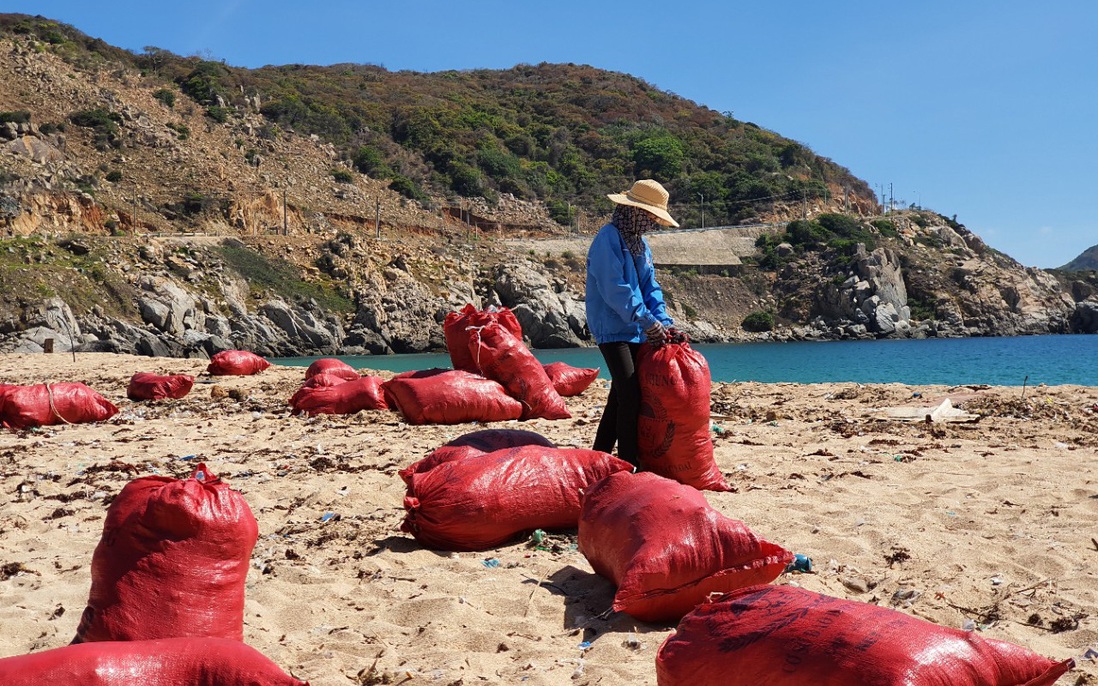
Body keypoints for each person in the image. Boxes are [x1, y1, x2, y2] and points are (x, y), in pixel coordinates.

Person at [585, 179, 678, 468]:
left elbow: (651, 287)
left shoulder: (640, 245)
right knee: (630, 393)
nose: (652, 224)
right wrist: (647, 320)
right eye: (650, 217)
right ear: (635, 211)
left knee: (619, 396)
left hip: (637, 329)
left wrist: (663, 321)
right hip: (612, 328)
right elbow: (616, 289)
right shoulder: (607, 239)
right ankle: (627, 461)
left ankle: (598, 455)